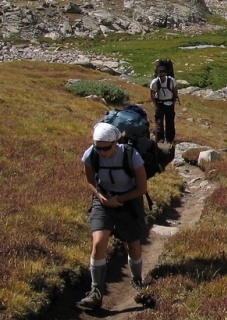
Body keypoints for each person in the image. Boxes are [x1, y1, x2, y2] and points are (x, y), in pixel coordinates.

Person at [77, 123, 147, 311]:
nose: (101, 152)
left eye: (105, 148)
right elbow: (90, 182)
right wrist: (100, 197)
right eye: (98, 147)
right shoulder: (90, 154)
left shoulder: (132, 155)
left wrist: (119, 199)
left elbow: (142, 188)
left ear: (116, 142)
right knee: (98, 242)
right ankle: (96, 291)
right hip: (103, 200)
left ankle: (137, 281)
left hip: (129, 202)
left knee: (132, 244)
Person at [149, 67, 178, 143]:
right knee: (159, 123)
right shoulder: (155, 82)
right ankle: (159, 140)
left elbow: (175, 91)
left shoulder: (171, 81)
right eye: (160, 76)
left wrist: (174, 102)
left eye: (163, 76)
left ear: (166, 74)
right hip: (159, 104)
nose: (162, 78)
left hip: (169, 103)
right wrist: (155, 104)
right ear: (158, 75)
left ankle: (170, 139)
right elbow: (151, 93)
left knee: (170, 122)